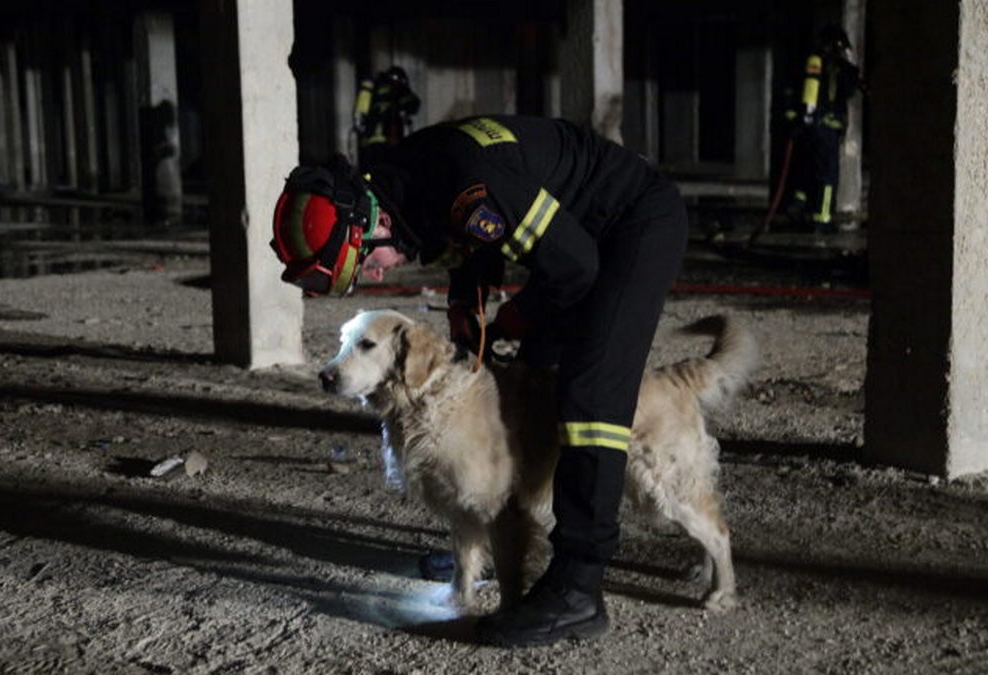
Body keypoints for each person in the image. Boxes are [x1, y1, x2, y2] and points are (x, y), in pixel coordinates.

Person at [269, 115, 688, 648]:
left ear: (369, 222)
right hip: (578, 233)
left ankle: (579, 586)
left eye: (365, 260)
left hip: (632, 225)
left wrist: (517, 315)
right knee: (532, 380)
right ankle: (497, 534)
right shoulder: (403, 179)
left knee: (590, 395)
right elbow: (464, 235)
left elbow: (577, 268)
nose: (375, 274)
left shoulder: (469, 184)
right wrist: (465, 297)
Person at [782, 25, 863, 232]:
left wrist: (797, 120)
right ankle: (822, 218)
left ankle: (797, 205)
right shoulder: (839, 68)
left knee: (807, 168)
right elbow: (851, 87)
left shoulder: (808, 63)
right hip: (827, 129)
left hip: (808, 128)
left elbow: (795, 92)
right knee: (828, 176)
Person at [352, 66, 421, 172]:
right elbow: (413, 105)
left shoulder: (374, 88)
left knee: (369, 175)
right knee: (389, 175)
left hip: (368, 143)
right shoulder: (397, 88)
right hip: (388, 143)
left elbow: (360, 116)